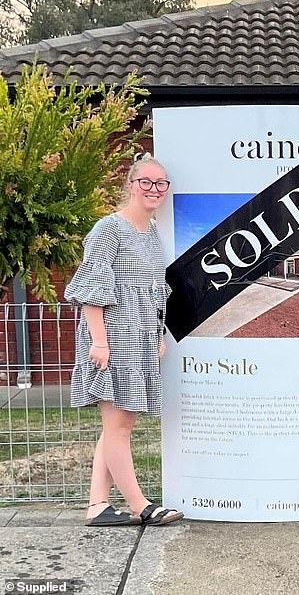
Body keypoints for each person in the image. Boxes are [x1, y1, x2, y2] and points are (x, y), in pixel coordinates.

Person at [65, 153, 183, 527]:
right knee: (120, 425)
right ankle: (140, 505)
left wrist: (157, 334)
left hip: (140, 334)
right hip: (113, 336)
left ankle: (97, 506)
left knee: (115, 426)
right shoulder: (107, 230)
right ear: (131, 185)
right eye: (145, 182)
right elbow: (90, 290)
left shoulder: (150, 234)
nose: (153, 189)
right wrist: (99, 343)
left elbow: (153, 290)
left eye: (160, 183)